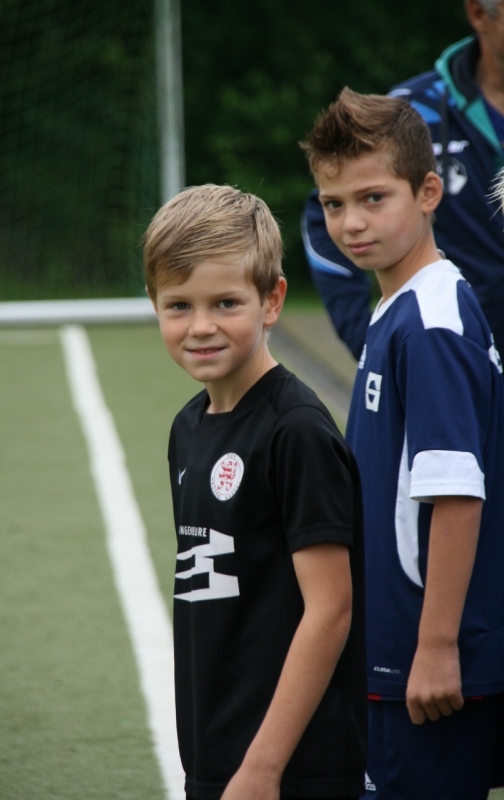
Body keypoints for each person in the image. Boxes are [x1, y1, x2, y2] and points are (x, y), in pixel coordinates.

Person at [300, 89, 504, 800]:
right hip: (398, 650)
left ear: (427, 193)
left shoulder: (431, 323)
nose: (350, 223)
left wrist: (436, 646)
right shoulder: (400, 307)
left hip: (426, 661)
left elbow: (456, 493)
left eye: (372, 198)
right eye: (332, 204)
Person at [142, 184, 367, 800]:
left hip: (290, 766)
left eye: (226, 303)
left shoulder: (296, 430)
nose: (201, 326)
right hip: (217, 750)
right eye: (179, 305)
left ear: (272, 301)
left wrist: (264, 766)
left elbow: (331, 609)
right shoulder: (187, 427)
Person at [302, 0, 504, 361]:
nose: (352, 220)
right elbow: (324, 209)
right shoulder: (413, 112)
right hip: (448, 358)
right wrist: (366, 338)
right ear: (479, 13)